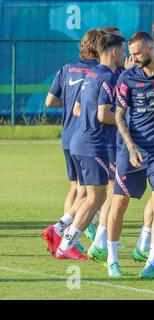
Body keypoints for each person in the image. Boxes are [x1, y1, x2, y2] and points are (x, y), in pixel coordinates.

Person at [106, 32, 154, 278]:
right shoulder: (127, 77)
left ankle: (151, 261)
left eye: (138, 53)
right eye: (132, 53)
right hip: (132, 150)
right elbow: (119, 115)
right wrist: (130, 147)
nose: (134, 58)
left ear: (151, 48)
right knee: (119, 204)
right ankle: (112, 259)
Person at [55, 32, 125, 260]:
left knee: (87, 195)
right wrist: (128, 118)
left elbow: (77, 109)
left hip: (79, 140)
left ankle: (57, 230)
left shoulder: (93, 74)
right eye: (123, 51)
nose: (125, 55)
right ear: (114, 51)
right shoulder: (108, 77)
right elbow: (104, 114)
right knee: (98, 197)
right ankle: (66, 244)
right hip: (93, 143)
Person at [42, 29, 101, 257]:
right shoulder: (98, 72)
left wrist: (69, 105)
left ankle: (64, 235)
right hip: (86, 138)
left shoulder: (66, 69)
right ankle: (64, 235)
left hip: (67, 136)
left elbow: (49, 101)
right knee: (88, 192)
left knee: (76, 188)